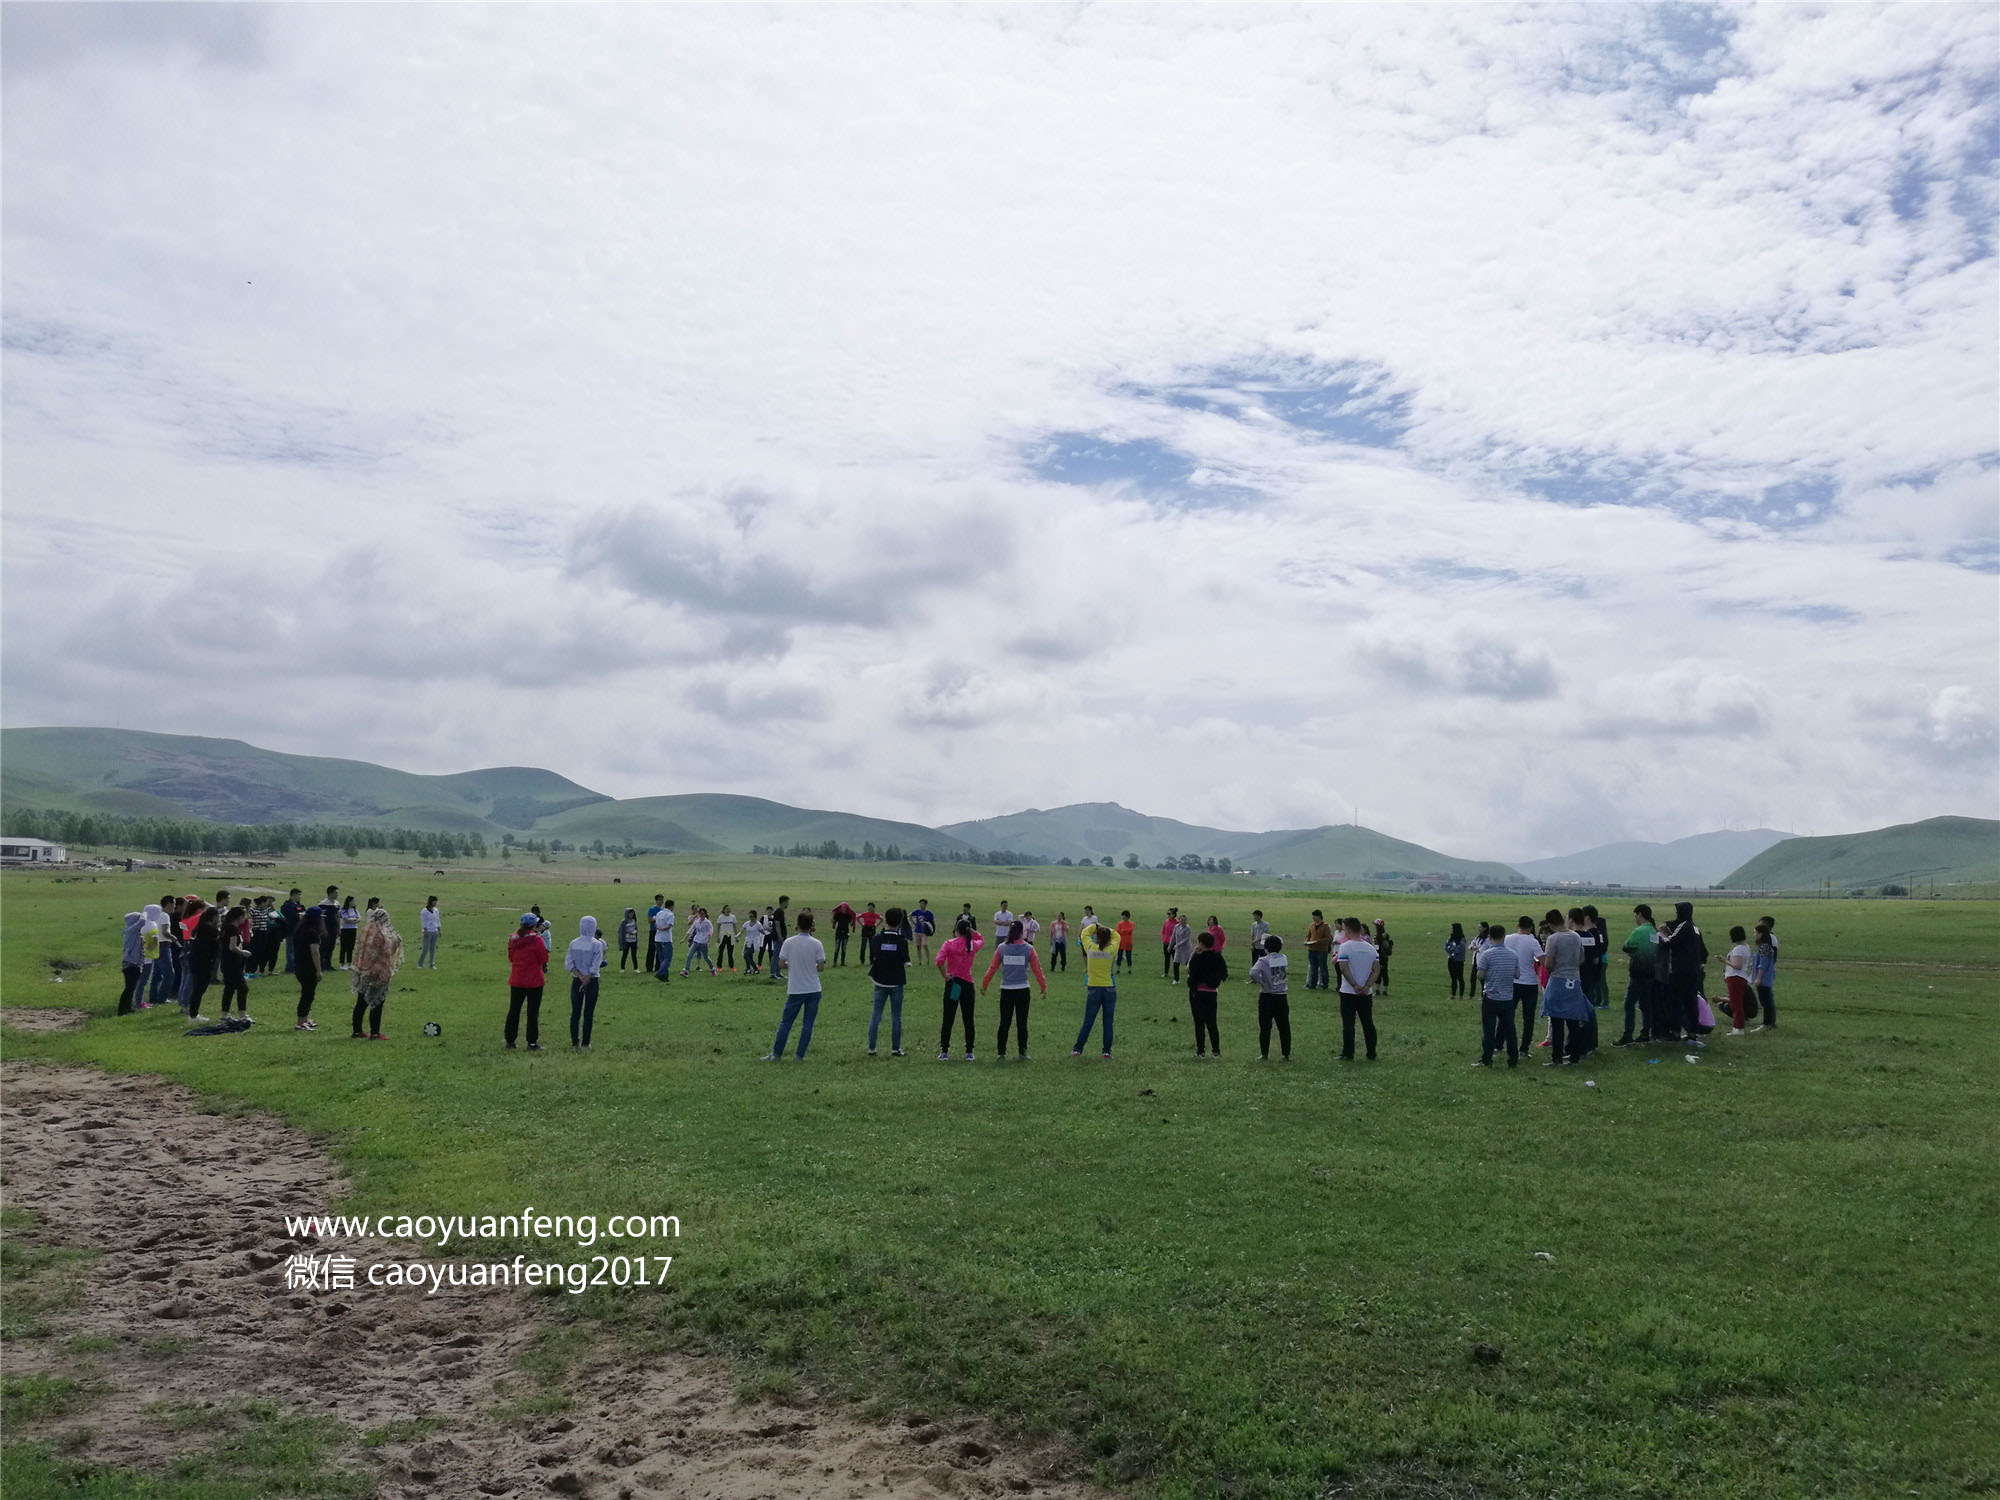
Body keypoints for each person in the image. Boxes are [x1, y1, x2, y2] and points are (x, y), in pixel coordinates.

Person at [980, 920, 1047, 1060]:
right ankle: (1022, 1052)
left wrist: (984, 984)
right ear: (1022, 932)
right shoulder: (1029, 949)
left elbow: (992, 968)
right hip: (1023, 990)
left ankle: (1001, 1052)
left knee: (1004, 1022)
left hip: (1006, 990)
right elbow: (1037, 970)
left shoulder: (1002, 948)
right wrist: (1042, 986)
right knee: (1022, 1023)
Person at [766, 913, 826, 1060]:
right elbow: (821, 967)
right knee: (808, 1024)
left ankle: (776, 1053)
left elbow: (780, 964)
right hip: (814, 989)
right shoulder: (817, 943)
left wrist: (792, 965)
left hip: (796, 989)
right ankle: (799, 1055)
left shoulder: (789, 942)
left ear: (797, 924)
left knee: (786, 1022)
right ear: (812, 925)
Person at [1539, 912, 1594, 1066]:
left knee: (1557, 1021)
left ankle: (1556, 1058)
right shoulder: (1576, 937)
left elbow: (1548, 963)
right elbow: (1581, 959)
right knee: (1573, 1021)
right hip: (1574, 980)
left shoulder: (1553, 938)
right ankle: (1574, 1057)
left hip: (1558, 980)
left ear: (1550, 924)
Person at [348, 907, 403, 1039]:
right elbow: (387, 951)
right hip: (378, 972)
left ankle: (357, 1031)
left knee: (361, 1001)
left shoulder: (367, 932)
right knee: (377, 1001)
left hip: (364, 970)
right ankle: (375, 1032)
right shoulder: (382, 934)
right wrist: (396, 942)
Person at [935, 917, 984, 1061]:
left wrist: (945, 975)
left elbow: (938, 961)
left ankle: (944, 1051)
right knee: (968, 1018)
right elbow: (981, 939)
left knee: (948, 1017)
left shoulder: (949, 944)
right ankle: (969, 1052)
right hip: (967, 984)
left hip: (954, 983)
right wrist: (973, 932)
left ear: (956, 931)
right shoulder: (972, 945)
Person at [1473, 921, 1520, 1066]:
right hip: (1507, 998)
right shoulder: (1513, 954)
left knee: (1489, 1030)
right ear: (1504, 936)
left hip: (1491, 997)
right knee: (1510, 1030)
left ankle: (1487, 1059)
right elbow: (1517, 975)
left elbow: (1480, 975)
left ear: (1490, 936)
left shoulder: (1487, 955)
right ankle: (1513, 1059)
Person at [1657, 901, 1706, 1044]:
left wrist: (1662, 934)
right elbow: (1681, 942)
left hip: (1680, 971)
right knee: (1690, 1002)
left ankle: (1675, 1032)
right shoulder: (1694, 927)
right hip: (1693, 971)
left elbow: (1670, 943)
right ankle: (1692, 1033)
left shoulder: (1683, 925)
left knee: (1675, 1001)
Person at [867, 906, 911, 1056]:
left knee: (876, 1015)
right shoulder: (901, 941)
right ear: (900, 923)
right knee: (896, 1017)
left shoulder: (876, 939)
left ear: (885, 920)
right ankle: (895, 1048)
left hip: (879, 981)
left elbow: (872, 958)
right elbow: (907, 962)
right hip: (896, 982)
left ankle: (872, 1048)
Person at [1334, 918, 1379, 1061]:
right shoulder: (1370, 948)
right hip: (1366, 993)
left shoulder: (1345, 947)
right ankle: (1371, 1052)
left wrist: (1354, 985)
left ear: (1347, 930)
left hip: (1348, 992)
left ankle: (1348, 1052)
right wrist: (1367, 986)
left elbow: (1343, 968)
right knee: (1368, 1023)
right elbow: (1376, 970)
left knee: (1348, 1024)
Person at [1071, 924, 1117, 1059]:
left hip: (1093, 988)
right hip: (1109, 988)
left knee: (1088, 1021)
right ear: (1108, 939)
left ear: (1095, 937)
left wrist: (1096, 925)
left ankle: (1077, 1049)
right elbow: (1117, 935)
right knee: (1108, 1022)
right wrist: (1106, 929)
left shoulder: (1090, 948)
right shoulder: (1111, 950)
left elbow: (1084, 933)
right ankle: (1106, 1052)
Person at [1615, 905, 1657, 1045]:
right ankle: (1645, 1033)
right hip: (1651, 972)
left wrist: (1633, 953)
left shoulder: (1639, 931)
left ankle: (1627, 1035)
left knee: (1629, 1004)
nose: (1634, 918)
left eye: (1635, 915)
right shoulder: (1653, 931)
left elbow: (1626, 946)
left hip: (1638, 971)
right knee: (1646, 1004)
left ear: (1639, 914)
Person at [505, 912, 548, 1050]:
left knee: (514, 1010)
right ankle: (531, 1042)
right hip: (534, 980)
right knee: (532, 1012)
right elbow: (543, 959)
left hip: (517, 979)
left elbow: (511, 957)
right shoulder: (537, 939)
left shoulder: (513, 938)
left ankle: (510, 1040)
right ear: (534, 925)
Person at [1503, 917, 1544, 1051]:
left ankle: (1499, 1043)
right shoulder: (1532, 941)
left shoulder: (1507, 938)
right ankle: (1524, 1048)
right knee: (1528, 1018)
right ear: (1531, 928)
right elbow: (1542, 960)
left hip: (1511, 981)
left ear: (1517, 925)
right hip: (1529, 983)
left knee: (1506, 1014)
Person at [566, 915, 607, 1050]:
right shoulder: (597, 944)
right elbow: (596, 965)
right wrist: (587, 977)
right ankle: (585, 1043)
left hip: (576, 980)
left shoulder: (573, 943)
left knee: (575, 1012)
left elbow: (569, 964)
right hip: (592, 980)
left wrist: (580, 976)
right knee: (588, 1012)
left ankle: (574, 1042)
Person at [1247, 933, 1290, 1060]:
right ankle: (1285, 1053)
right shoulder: (1284, 958)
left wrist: (1262, 981)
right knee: (1284, 1026)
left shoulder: (1263, 960)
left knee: (1265, 1026)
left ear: (1266, 948)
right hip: (1282, 995)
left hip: (1267, 995)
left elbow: (1253, 973)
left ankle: (1264, 1053)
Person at [1186, 930, 1227, 1057]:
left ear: (1201, 943)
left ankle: (1201, 1051)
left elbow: (1189, 970)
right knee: (1212, 1022)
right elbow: (1224, 974)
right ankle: (1216, 1051)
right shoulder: (1217, 957)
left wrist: (1194, 954)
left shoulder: (1198, 957)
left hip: (1197, 992)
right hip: (1212, 993)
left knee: (1199, 1023)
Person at [185, 905, 221, 1020]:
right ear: (213, 917)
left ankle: (193, 1013)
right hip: (203, 962)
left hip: (196, 961)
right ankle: (193, 1014)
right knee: (199, 988)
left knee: (198, 988)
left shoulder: (199, 927)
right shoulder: (210, 930)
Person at [216, 906, 252, 1021]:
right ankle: (242, 1015)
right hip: (232, 963)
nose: (245, 918)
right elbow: (232, 947)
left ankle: (225, 1014)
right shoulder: (233, 929)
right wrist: (243, 952)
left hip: (226, 962)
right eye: (244, 916)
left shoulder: (226, 927)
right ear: (239, 917)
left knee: (229, 988)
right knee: (243, 988)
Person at [293, 909, 324, 1031]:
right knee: (307, 995)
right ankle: (300, 1022)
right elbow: (315, 952)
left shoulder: (300, 930)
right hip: (308, 967)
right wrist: (318, 970)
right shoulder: (312, 933)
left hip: (299, 966)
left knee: (308, 994)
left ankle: (304, 1019)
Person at [1722, 925, 1755, 1035]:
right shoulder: (1745, 946)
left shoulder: (1738, 949)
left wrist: (1724, 961)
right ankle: (1737, 1027)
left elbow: (1737, 965)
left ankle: (1738, 1027)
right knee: (1736, 1003)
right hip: (1740, 978)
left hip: (1735, 978)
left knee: (1736, 1004)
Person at [1751, 919, 1779, 1030]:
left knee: (1765, 1001)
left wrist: (1758, 978)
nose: (1754, 935)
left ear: (1760, 934)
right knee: (1767, 1000)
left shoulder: (1764, 947)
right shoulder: (1765, 946)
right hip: (1765, 978)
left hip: (1763, 979)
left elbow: (1763, 964)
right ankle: (1769, 1023)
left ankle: (1767, 1023)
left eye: (1755, 933)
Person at [118, 911, 146, 1015]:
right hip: (130, 963)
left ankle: (128, 1007)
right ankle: (122, 1009)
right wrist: (144, 913)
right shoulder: (131, 931)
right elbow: (142, 921)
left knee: (132, 987)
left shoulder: (134, 932)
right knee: (129, 987)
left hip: (136, 963)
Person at [681, 908, 715, 977]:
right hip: (696, 941)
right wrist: (684, 939)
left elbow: (711, 929)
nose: (702, 915)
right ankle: (686, 970)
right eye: (700, 914)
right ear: (699, 914)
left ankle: (712, 969)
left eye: (703, 914)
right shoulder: (696, 922)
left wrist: (709, 936)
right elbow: (690, 930)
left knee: (706, 958)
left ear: (705, 914)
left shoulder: (707, 922)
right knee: (689, 955)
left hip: (703, 943)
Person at [1304, 910, 1334, 991]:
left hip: (1321, 950)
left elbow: (1328, 938)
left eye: (1314, 916)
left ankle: (1325, 984)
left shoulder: (1325, 926)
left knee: (1323, 967)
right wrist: (1307, 941)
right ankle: (1312, 985)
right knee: (1313, 968)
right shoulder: (1312, 926)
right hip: (1311, 949)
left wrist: (1317, 941)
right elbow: (1308, 935)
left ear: (1319, 916)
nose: (1313, 918)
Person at [652, 900, 676, 981]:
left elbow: (655, 923)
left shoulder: (659, 913)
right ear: (671, 906)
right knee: (668, 958)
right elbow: (669, 926)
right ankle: (660, 973)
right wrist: (662, 929)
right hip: (666, 939)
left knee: (662, 958)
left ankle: (665, 977)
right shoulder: (670, 914)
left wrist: (658, 928)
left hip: (657, 938)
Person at [1444, 923, 1467, 998]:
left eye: (1452, 928)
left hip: (1459, 961)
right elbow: (1446, 946)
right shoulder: (1451, 937)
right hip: (1451, 959)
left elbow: (1459, 949)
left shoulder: (1462, 939)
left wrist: (1451, 949)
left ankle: (1461, 995)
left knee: (1460, 977)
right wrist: (1451, 950)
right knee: (1453, 978)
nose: (1451, 930)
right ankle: (1453, 994)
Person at [418, 896, 441, 969]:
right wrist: (425, 931)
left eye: (436, 901)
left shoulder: (436, 910)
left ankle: (431, 964)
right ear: (430, 901)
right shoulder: (424, 911)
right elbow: (423, 922)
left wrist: (439, 930)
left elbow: (437, 921)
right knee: (425, 949)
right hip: (427, 932)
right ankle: (420, 964)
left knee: (432, 949)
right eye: (434, 901)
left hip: (434, 931)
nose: (435, 903)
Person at [1169, 912, 1193, 982]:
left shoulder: (1188, 928)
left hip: (1186, 949)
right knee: (1176, 963)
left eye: (1184, 920)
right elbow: (1173, 937)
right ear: (1179, 920)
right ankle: (1176, 979)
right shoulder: (1176, 926)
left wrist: (1177, 945)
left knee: (1187, 963)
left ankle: (1191, 975)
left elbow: (1186, 939)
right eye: (1181, 920)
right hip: (1178, 949)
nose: (1183, 921)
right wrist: (1170, 946)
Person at [830, 900, 856, 965]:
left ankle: (842, 962)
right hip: (838, 932)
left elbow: (851, 923)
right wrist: (832, 920)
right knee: (837, 947)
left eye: (844, 908)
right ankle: (835, 962)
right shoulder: (838, 914)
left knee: (844, 947)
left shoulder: (848, 915)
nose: (843, 909)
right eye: (842, 908)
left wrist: (852, 922)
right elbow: (834, 921)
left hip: (845, 932)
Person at [1371, 919, 1394, 991]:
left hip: (1382, 956)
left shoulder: (1384, 935)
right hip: (1377, 956)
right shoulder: (1377, 935)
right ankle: (1377, 990)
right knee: (1377, 973)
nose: (1374, 927)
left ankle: (1384, 990)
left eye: (1376, 925)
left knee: (1384, 973)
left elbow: (1385, 946)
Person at [338, 897, 360, 969]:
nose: (354, 902)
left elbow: (359, 918)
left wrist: (353, 920)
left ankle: (349, 963)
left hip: (353, 929)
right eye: (353, 901)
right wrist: (354, 919)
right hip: (345, 930)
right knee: (344, 947)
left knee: (351, 946)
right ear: (349, 902)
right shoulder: (344, 910)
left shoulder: (355, 910)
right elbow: (346, 920)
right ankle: (341, 963)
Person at [741, 910, 765, 976]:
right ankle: (756, 969)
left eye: (752, 916)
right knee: (749, 957)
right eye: (749, 916)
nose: (750, 918)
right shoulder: (746, 923)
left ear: (755, 917)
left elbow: (763, 932)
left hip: (754, 942)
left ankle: (748, 969)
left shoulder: (758, 924)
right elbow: (742, 931)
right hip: (748, 941)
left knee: (746, 954)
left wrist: (765, 931)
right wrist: (737, 936)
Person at [645, 894, 664, 972]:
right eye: (660, 900)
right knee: (651, 949)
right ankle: (649, 968)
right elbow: (649, 920)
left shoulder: (663, 910)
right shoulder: (651, 909)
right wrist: (657, 918)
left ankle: (658, 967)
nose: (661, 902)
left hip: (661, 932)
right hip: (653, 931)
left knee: (660, 950)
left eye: (662, 900)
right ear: (656, 900)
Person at [716, 905, 738, 971]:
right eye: (726, 909)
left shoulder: (733, 917)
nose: (728, 910)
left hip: (730, 936)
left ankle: (732, 967)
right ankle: (719, 967)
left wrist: (736, 936)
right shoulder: (720, 917)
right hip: (722, 935)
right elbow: (718, 927)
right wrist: (717, 937)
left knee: (730, 952)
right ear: (724, 910)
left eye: (729, 909)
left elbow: (734, 927)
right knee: (721, 952)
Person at [1160, 907, 1180, 978]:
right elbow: (1163, 931)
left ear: (1173, 914)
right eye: (1167, 913)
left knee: (1175, 959)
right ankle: (1166, 973)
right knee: (1167, 958)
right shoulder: (1166, 921)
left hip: (1174, 944)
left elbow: (1179, 934)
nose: (1168, 915)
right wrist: (1163, 939)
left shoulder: (1177, 923)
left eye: (1169, 913)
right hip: (1166, 943)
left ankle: (1175, 974)